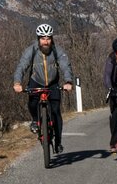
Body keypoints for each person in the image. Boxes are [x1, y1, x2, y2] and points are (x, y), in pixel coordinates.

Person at [12, 23, 74, 153]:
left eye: (48, 38)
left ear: (52, 39)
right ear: (38, 39)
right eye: (43, 38)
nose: (45, 41)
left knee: (56, 112)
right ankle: (35, 120)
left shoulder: (57, 51)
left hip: (53, 84)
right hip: (36, 82)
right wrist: (17, 82)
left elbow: (65, 66)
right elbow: (22, 66)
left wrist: (68, 81)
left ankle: (58, 142)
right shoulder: (31, 50)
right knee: (32, 104)